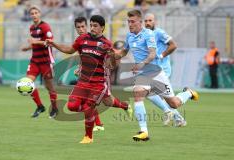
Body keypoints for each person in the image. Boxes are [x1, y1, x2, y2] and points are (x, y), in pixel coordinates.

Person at [113, 10, 199, 141]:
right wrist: (115, 54)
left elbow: (152, 54)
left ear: (140, 22)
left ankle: (188, 93)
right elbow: (124, 51)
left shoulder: (149, 34)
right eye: (128, 22)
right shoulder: (130, 36)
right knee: (138, 94)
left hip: (156, 73)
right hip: (142, 75)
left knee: (174, 104)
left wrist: (141, 64)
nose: (130, 24)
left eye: (133, 22)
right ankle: (144, 131)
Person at [46, 15, 132, 144]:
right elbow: (70, 50)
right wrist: (53, 43)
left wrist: (113, 57)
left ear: (102, 28)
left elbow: (112, 65)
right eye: (91, 25)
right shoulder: (82, 39)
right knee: (72, 106)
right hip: (83, 82)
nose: (92, 28)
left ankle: (88, 137)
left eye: (95, 26)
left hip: (98, 83)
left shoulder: (106, 44)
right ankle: (124, 106)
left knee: (89, 106)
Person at [73, 17, 133, 132]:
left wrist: (112, 62)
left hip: (101, 77)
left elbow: (110, 57)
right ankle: (104, 121)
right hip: (88, 77)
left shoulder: (100, 41)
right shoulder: (82, 40)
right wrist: (80, 67)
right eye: (78, 27)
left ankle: (101, 123)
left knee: (101, 101)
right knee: (105, 102)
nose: (81, 29)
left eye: (83, 27)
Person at [144, 13, 187, 127]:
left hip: (163, 69)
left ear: (155, 22)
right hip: (152, 70)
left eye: (150, 20)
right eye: (146, 21)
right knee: (163, 98)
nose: (147, 23)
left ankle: (187, 94)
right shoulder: (144, 34)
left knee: (150, 92)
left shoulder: (159, 33)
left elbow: (173, 45)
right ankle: (178, 118)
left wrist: (162, 55)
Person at [21, 5, 58, 118]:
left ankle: (54, 108)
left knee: (50, 87)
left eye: (36, 13)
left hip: (46, 61)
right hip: (35, 61)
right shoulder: (32, 27)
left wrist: (35, 41)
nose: (34, 15)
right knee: (27, 84)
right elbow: (34, 43)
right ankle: (40, 106)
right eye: (32, 13)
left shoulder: (45, 27)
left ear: (40, 13)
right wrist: (27, 47)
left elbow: (50, 42)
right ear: (30, 15)